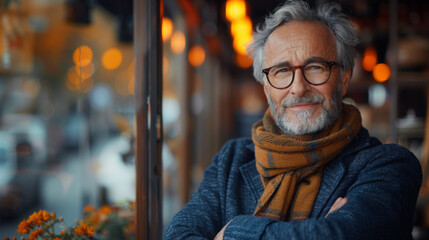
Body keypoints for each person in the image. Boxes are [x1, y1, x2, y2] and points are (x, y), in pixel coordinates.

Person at [164, 0, 422, 239]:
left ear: (343, 79)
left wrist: (233, 232)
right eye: (282, 71)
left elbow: (341, 235)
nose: (298, 88)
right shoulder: (230, 161)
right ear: (266, 87)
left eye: (315, 67)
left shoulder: (389, 165)